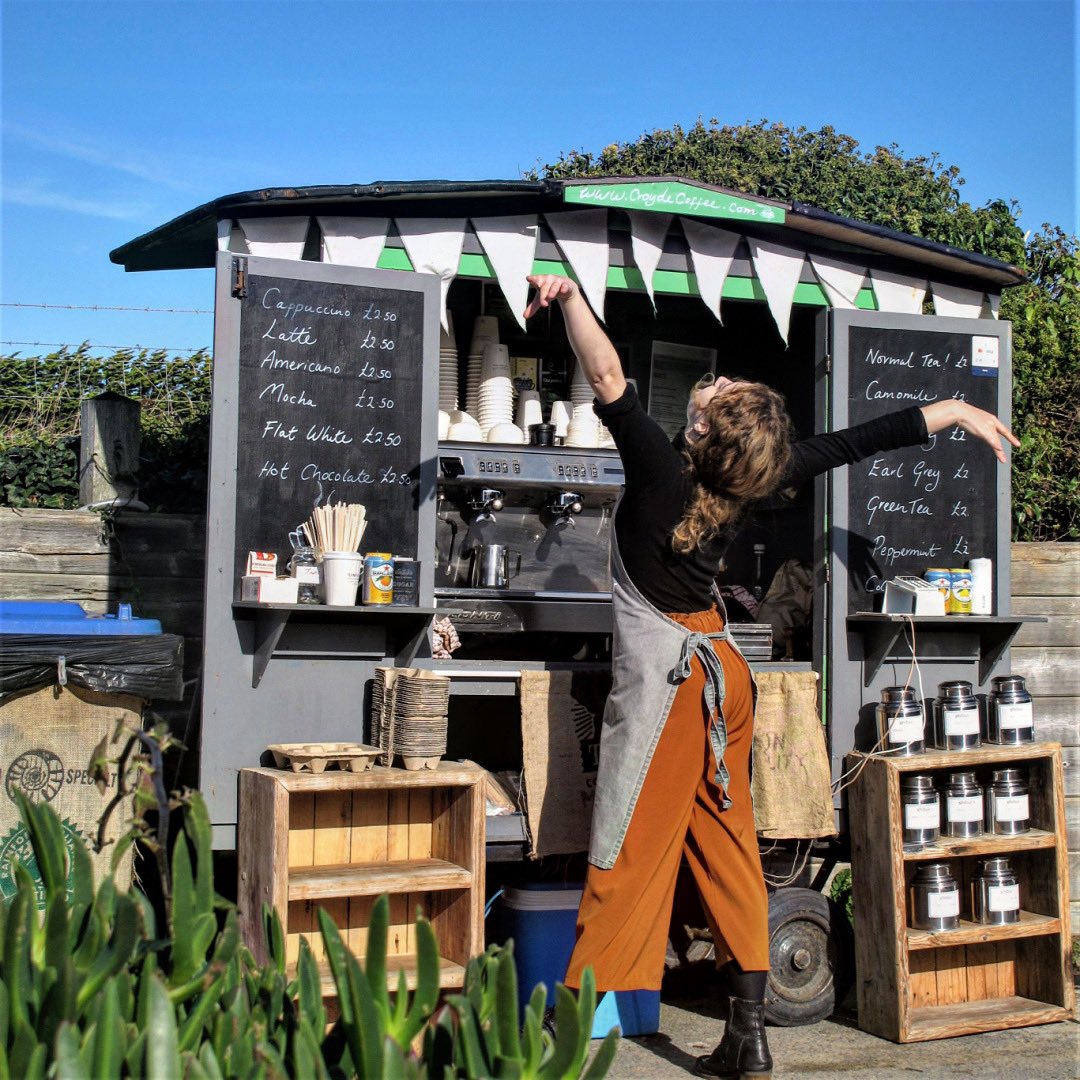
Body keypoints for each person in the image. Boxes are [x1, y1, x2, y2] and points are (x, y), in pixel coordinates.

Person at [522, 273, 1019, 1080]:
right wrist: (953, 412)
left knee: (625, 850)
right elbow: (859, 440)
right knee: (729, 852)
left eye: (721, 387)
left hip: (670, 694)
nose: (713, 382)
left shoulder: (660, 471)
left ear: (706, 426)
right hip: (726, 678)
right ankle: (747, 1036)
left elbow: (609, 381)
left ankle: (572, 1029)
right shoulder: (759, 475)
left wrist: (571, 294)